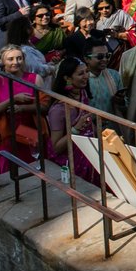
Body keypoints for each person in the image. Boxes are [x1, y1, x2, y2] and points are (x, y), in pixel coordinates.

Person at [0, 45, 47, 173]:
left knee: (35, 172)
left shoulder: (35, 79)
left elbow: (45, 106)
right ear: (2, 62)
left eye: (19, 58)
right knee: (10, 174)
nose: (15, 62)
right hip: (7, 136)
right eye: (10, 59)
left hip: (31, 135)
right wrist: (12, 100)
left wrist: (23, 108)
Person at [46, 57, 99, 185]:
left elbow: (89, 126)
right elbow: (56, 147)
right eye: (81, 73)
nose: (86, 76)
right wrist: (76, 129)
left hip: (90, 157)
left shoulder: (82, 94)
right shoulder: (59, 110)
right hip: (72, 165)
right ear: (67, 78)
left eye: (86, 71)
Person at [85, 37, 123, 120]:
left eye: (107, 55)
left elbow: (126, 104)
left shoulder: (114, 75)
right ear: (87, 59)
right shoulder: (81, 79)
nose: (105, 59)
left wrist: (121, 102)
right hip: (89, 129)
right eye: (100, 56)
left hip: (113, 128)